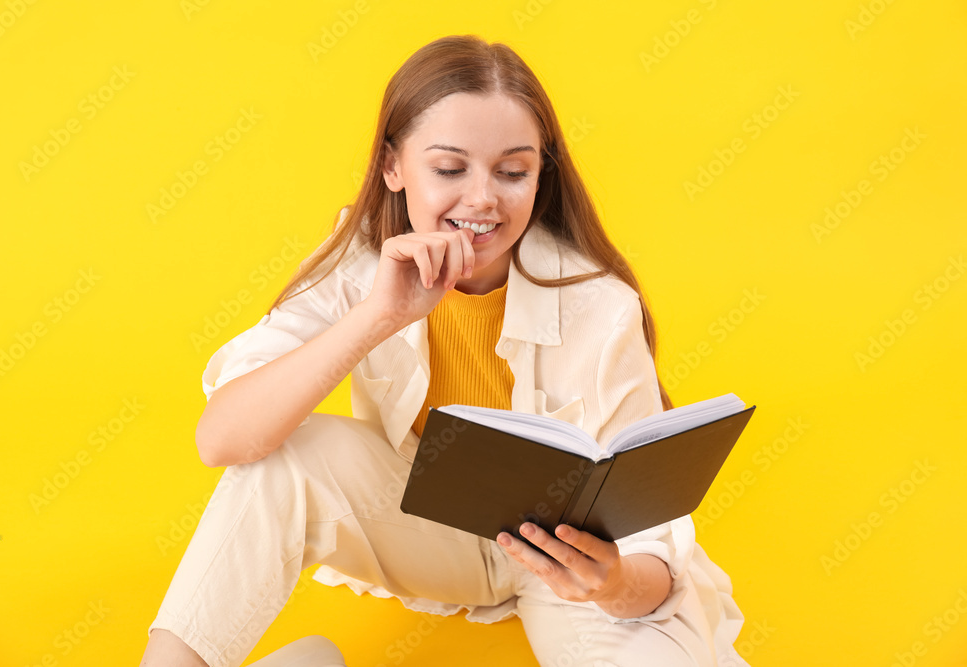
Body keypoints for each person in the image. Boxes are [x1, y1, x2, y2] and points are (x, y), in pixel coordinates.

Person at [140, 34, 748, 667]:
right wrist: (378, 316)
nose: (484, 199)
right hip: (430, 532)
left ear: (540, 180)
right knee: (281, 455)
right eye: (450, 169)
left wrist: (614, 582)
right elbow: (225, 440)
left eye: (513, 173)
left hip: (564, 566)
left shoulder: (600, 305)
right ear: (393, 166)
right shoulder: (358, 267)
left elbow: (651, 540)